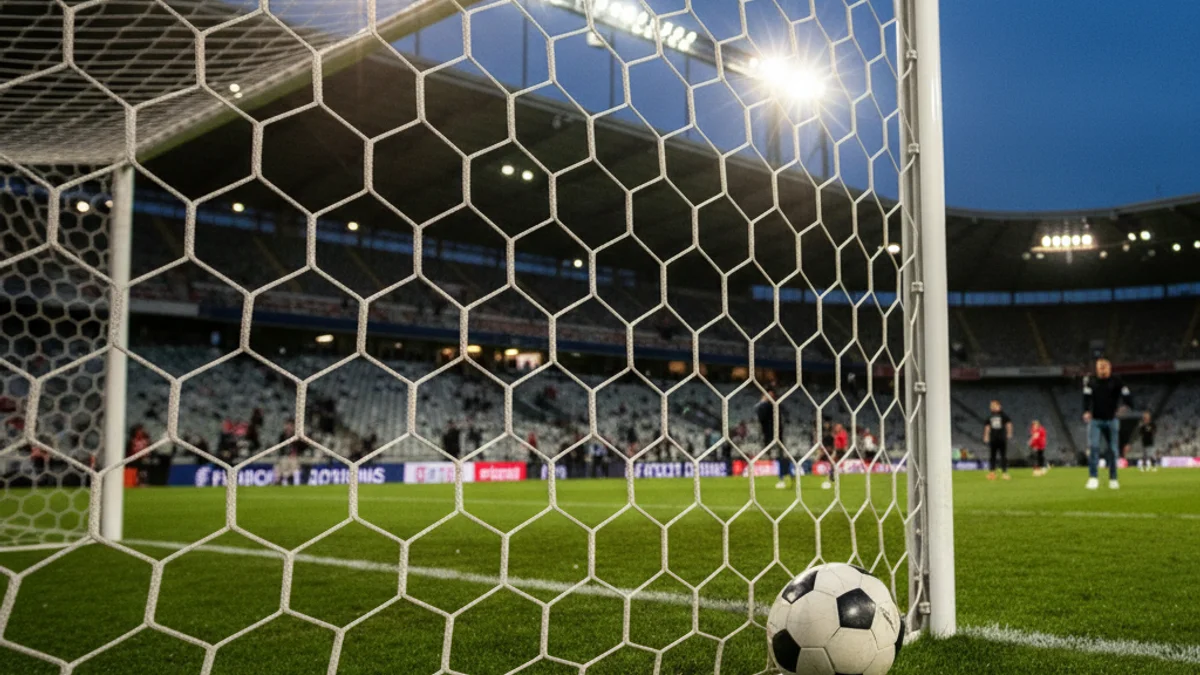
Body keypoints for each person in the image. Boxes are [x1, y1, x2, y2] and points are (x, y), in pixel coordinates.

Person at [1082, 358, 1133, 490]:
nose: (1102, 369)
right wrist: (1086, 411)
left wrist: (1126, 406)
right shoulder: (1091, 382)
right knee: (1093, 448)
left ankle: (1113, 478)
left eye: (1105, 366)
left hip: (1112, 420)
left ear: (1110, 367)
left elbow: (1127, 395)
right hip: (1096, 420)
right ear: (1097, 368)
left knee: (1113, 450)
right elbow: (1086, 398)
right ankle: (1093, 478)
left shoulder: (1117, 381)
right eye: (1100, 366)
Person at [757, 388, 792, 489]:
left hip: (775, 435)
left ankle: (784, 477)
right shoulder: (771, 405)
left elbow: (761, 415)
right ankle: (787, 476)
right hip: (769, 435)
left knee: (780, 456)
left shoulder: (772, 405)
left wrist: (762, 402)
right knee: (779, 456)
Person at [982, 400, 1013, 481]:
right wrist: (986, 436)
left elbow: (1009, 424)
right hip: (993, 438)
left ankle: (1004, 473)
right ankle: (992, 473)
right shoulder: (990, 416)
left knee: (1003, 456)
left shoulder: (1003, 415)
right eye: (991, 406)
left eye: (993, 405)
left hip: (1002, 438)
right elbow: (987, 427)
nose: (992, 407)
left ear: (999, 406)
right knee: (992, 456)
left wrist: (1009, 433)